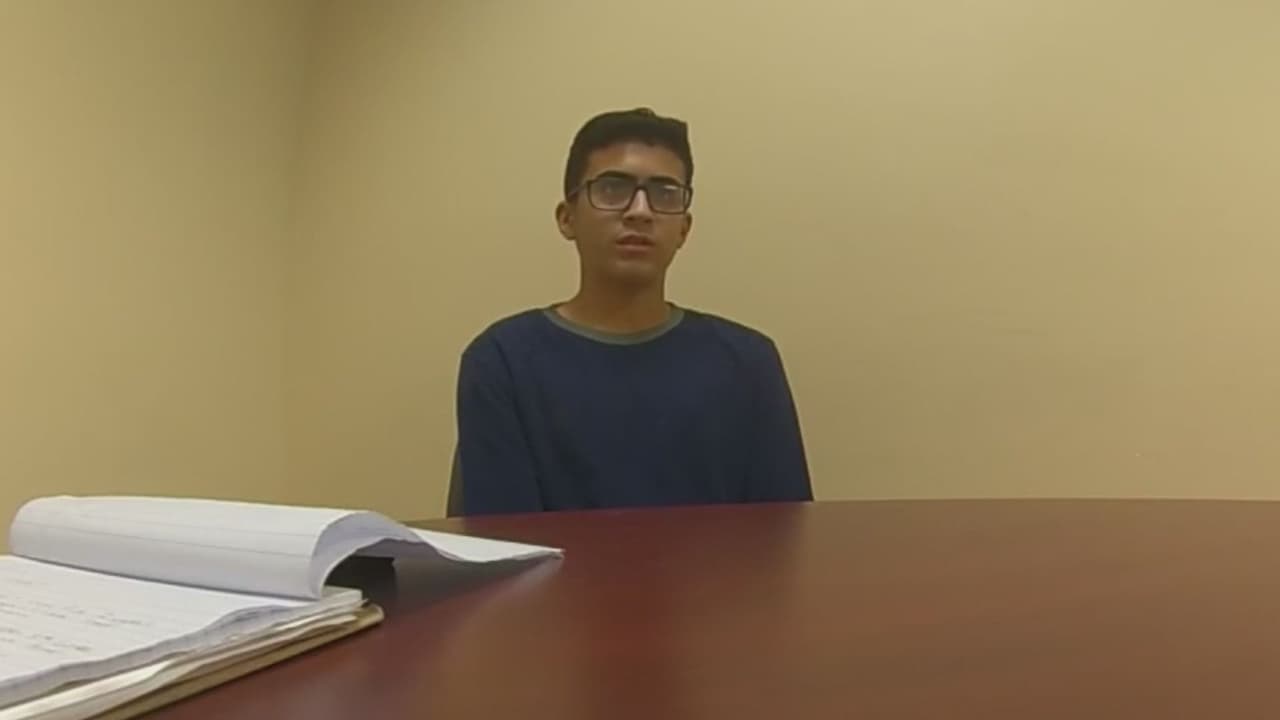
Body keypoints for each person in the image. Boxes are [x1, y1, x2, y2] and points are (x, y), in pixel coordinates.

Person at [454, 107, 811, 515]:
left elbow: (784, 536)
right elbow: (502, 541)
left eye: (664, 193)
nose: (640, 211)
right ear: (567, 218)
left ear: (684, 229)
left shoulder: (748, 363)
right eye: (612, 188)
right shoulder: (503, 361)